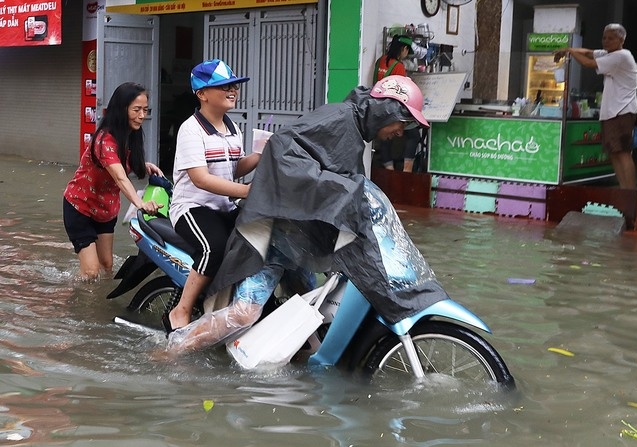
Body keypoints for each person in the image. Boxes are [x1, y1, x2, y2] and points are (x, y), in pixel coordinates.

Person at [165, 75, 448, 355]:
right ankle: (173, 350)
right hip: (274, 234)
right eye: (403, 121)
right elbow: (282, 151)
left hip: (299, 237)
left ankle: (306, 363)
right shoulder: (338, 118)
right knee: (243, 314)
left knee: (309, 304)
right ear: (387, 109)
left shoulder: (354, 130)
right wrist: (339, 188)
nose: (401, 131)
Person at [164, 59, 262, 333]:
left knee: (257, 236)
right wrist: (246, 191)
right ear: (202, 94)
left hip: (223, 206)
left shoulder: (233, 128)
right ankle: (181, 310)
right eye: (223, 86)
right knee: (214, 248)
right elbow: (201, 178)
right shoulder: (191, 129)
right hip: (192, 207)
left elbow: (234, 168)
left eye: (234, 86)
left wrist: (259, 156)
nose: (232, 90)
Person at [63, 82, 163, 281]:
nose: (142, 115)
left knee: (107, 266)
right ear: (121, 109)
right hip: (80, 207)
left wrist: (143, 164)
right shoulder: (104, 139)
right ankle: (76, 296)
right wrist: (140, 203)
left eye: (145, 110)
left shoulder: (130, 136)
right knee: (92, 272)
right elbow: (119, 176)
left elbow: (122, 162)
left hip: (106, 210)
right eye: (136, 110)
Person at [554, 23, 637, 190]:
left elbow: (587, 63)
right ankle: (624, 190)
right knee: (613, 153)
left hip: (621, 112)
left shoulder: (621, 56)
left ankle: (630, 192)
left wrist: (569, 51)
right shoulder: (609, 54)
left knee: (622, 153)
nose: (606, 41)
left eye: (611, 38)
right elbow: (588, 52)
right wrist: (567, 49)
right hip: (611, 113)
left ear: (621, 40)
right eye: (604, 37)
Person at [373, 35, 426, 172]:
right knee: (414, 135)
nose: (406, 54)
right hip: (392, 108)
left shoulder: (380, 61)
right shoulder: (399, 67)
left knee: (385, 137)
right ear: (403, 48)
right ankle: (406, 171)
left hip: (377, 105)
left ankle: (388, 170)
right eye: (407, 51)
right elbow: (401, 92)